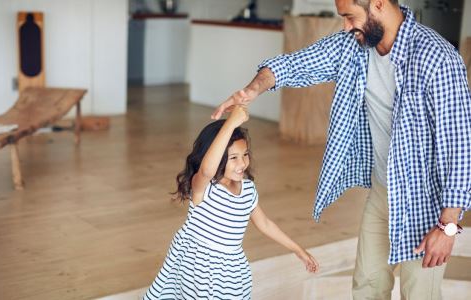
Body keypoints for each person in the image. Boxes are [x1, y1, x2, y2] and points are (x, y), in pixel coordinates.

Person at [211, 0, 470, 299]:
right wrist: (252, 90)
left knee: (419, 295)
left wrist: (448, 226)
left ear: (378, 4)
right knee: (366, 287)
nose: (346, 27)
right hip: (382, 192)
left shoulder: (436, 58)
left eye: (350, 17)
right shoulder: (354, 46)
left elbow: (461, 148)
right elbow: (295, 64)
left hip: (427, 206)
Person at [144, 105, 319, 300]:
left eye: (245, 155)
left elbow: (266, 224)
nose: (242, 163)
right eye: (233, 158)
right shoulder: (204, 188)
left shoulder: (248, 190)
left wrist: (298, 250)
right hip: (199, 266)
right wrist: (231, 123)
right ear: (216, 158)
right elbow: (206, 170)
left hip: (231, 268)